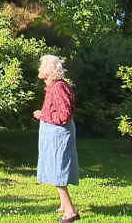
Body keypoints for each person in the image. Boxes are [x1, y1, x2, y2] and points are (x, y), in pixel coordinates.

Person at [33, 55, 80, 222]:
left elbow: (64, 115)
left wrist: (42, 114)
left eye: (42, 66)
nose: (39, 69)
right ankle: (63, 205)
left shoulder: (58, 87)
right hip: (54, 133)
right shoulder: (54, 87)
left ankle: (70, 211)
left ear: (49, 70)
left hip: (58, 135)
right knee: (55, 168)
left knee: (58, 170)